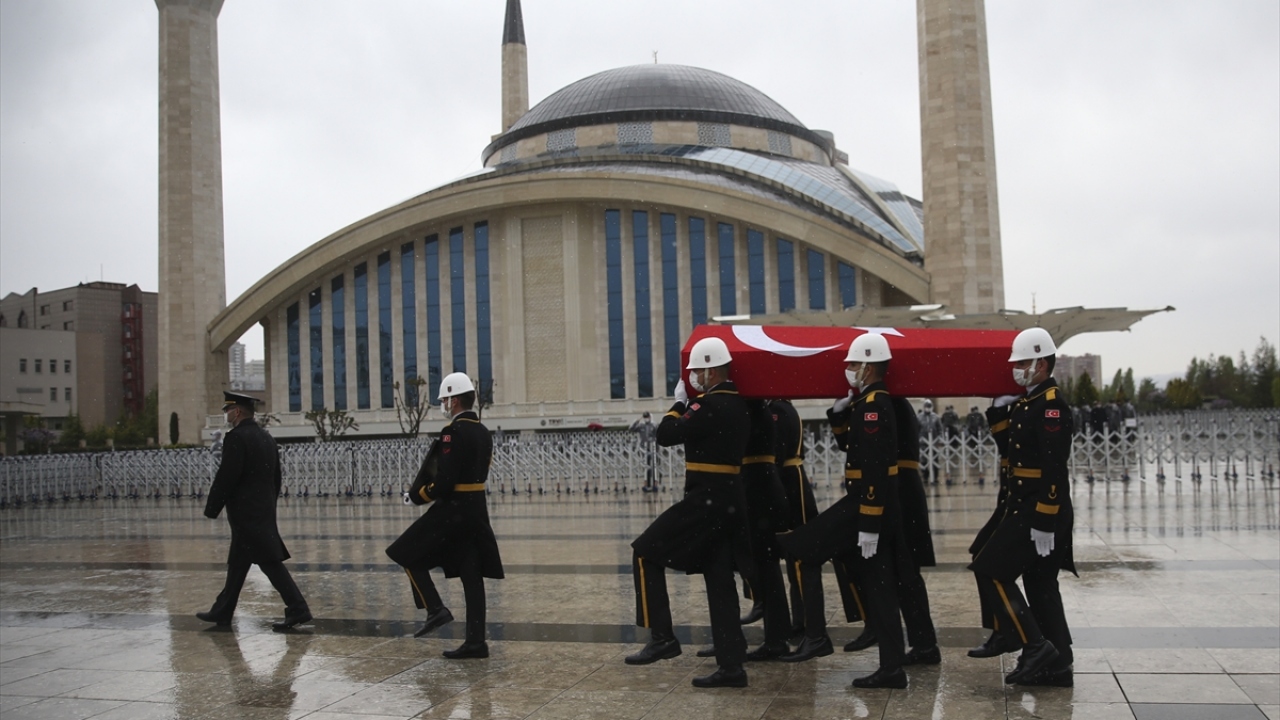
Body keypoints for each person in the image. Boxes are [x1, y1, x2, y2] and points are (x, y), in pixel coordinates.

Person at [777, 333, 911, 689]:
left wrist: (868, 519)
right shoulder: (869, 402)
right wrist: (838, 414)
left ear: (869, 366)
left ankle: (818, 637)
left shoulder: (873, 406)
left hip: (866, 504)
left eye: (853, 364)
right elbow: (850, 446)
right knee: (879, 585)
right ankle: (892, 666)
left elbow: (876, 465)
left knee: (802, 550)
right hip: (871, 504)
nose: (848, 370)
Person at [626, 336, 753, 688]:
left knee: (644, 553)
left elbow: (665, 434)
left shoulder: (708, 406)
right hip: (730, 501)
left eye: (697, 371)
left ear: (711, 371)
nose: (693, 377)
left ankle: (662, 637)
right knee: (719, 582)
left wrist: (678, 403)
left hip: (705, 501)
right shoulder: (741, 405)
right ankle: (732, 665)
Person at [970, 328, 1077, 687]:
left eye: (1022, 362)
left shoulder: (1051, 406)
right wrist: (999, 411)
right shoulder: (1029, 402)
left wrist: (1046, 518)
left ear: (1042, 363)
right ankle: (1058, 665)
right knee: (1040, 585)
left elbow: (1053, 466)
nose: (1016, 369)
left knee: (990, 568)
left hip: (1041, 507)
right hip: (1025, 504)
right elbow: (1011, 450)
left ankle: (1030, 643)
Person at [386, 372, 504, 659]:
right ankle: (476, 642)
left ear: (453, 400)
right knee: (471, 575)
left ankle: (435, 608)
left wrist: (417, 496)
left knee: (404, 552)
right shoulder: (483, 431)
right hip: (476, 509)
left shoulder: (453, 432)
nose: (444, 404)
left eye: (445, 399)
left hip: (453, 510)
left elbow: (445, 479)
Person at [197, 391, 311, 631]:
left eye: (228, 410)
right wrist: (268, 501)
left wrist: (212, 507)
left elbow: (227, 477)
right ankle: (223, 610)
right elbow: (276, 477)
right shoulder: (265, 437)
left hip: (245, 513)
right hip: (262, 509)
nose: (226, 414)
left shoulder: (237, 438)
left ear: (237, 411)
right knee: (238, 564)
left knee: (269, 562)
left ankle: (298, 608)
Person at [842, 393, 941, 666]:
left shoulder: (886, 403)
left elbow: (872, 451)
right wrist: (841, 412)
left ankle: (915, 641)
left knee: (903, 575)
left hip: (898, 493)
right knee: (900, 575)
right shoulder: (886, 402)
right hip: (897, 491)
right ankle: (920, 642)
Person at [770, 397, 819, 641]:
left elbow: (777, 450)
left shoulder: (777, 409)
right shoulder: (786, 406)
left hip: (789, 484)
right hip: (794, 478)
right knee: (795, 560)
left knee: (798, 558)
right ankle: (800, 620)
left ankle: (806, 624)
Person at [629, 411, 658, 491]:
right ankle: (646, 484)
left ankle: (655, 484)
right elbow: (631, 428)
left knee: (654, 466)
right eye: (644, 417)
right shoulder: (641, 426)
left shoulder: (654, 425)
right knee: (646, 467)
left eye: (647, 417)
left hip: (653, 447)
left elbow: (658, 434)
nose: (646, 419)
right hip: (644, 448)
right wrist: (637, 420)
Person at [917, 399, 942, 485]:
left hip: (934, 442)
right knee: (923, 461)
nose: (928, 408)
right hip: (923, 443)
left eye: (929, 406)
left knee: (935, 460)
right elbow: (916, 429)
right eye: (926, 406)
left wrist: (939, 439)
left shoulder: (936, 417)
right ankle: (925, 477)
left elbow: (940, 429)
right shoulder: (919, 417)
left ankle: (935, 478)